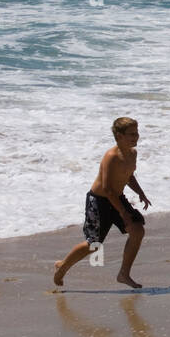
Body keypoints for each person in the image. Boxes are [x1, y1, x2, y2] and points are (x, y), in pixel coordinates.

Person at [53, 117, 151, 288]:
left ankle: (123, 274)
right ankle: (63, 266)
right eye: (131, 134)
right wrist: (123, 213)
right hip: (99, 202)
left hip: (117, 198)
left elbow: (128, 176)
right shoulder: (111, 156)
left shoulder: (132, 153)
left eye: (137, 133)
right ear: (119, 136)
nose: (136, 137)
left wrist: (140, 192)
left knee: (137, 230)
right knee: (94, 245)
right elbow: (107, 189)